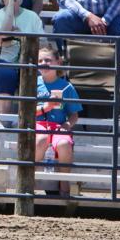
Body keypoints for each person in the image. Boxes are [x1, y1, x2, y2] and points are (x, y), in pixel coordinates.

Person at [0, 0, 45, 114]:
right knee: (6, 73)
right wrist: (11, 5)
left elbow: (43, 43)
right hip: (2, 61)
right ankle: (3, 119)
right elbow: (0, 38)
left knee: (41, 74)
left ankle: (38, 120)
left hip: (28, 60)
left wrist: (23, 37)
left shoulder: (32, 16)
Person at [34, 45, 82, 196]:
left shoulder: (67, 87)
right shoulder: (32, 83)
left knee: (64, 144)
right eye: (40, 60)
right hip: (37, 124)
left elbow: (74, 114)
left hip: (58, 127)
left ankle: (64, 183)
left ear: (58, 62)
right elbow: (26, 112)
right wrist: (46, 107)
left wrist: (67, 125)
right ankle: (29, 178)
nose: (44, 63)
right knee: (41, 139)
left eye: (48, 60)